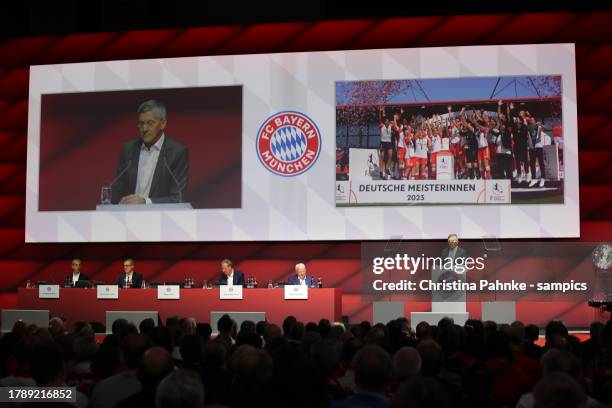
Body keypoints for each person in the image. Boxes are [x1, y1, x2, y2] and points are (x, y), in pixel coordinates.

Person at [111, 99, 189, 204]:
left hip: (161, 217)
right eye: (141, 124)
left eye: (150, 123)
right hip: (128, 215)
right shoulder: (129, 149)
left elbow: (178, 198)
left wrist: (145, 202)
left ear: (163, 123)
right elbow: (117, 191)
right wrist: (120, 201)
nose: (144, 128)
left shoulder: (177, 152)